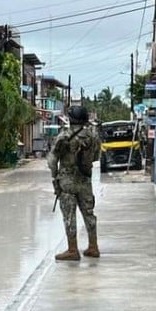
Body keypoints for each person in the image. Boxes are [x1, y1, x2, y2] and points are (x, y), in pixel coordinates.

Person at [48, 105, 101, 261]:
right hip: (85, 180)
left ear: (71, 119)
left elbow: (52, 160)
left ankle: (72, 249)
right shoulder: (93, 137)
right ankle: (93, 246)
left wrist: (54, 177)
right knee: (89, 214)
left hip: (67, 182)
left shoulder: (63, 136)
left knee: (69, 215)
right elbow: (97, 157)